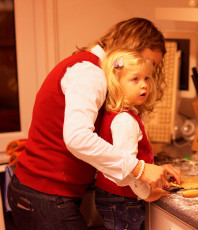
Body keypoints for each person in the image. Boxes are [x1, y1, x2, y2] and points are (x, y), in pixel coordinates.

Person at [7, 18, 181, 230]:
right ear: (129, 52)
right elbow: (78, 138)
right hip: (44, 195)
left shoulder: (94, 70)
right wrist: (140, 169)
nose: (147, 77)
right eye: (147, 64)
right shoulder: (89, 74)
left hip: (45, 194)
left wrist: (149, 168)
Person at [95, 49, 171, 230]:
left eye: (146, 78)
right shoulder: (125, 121)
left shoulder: (116, 114)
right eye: (135, 79)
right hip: (123, 199)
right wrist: (147, 193)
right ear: (116, 84)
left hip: (110, 194)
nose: (144, 85)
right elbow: (127, 166)